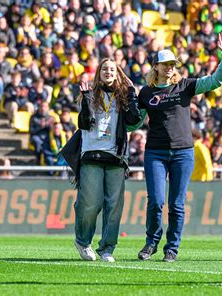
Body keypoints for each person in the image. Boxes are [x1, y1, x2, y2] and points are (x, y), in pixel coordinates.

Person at [136, 33, 222, 262]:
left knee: (177, 204)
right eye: (165, 64)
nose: (170, 68)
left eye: (172, 64)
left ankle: (172, 248)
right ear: (156, 66)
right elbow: (136, 122)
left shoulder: (185, 85)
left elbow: (214, 81)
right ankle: (151, 243)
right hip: (155, 153)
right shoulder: (146, 93)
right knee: (156, 201)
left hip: (183, 152)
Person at [74, 58, 142, 262]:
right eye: (105, 69)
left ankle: (107, 249)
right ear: (99, 73)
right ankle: (83, 242)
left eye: (112, 69)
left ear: (118, 73)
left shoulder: (123, 96)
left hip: (116, 156)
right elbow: (84, 123)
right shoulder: (89, 94)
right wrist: (85, 99)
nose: (108, 72)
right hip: (92, 153)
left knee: (114, 205)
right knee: (90, 203)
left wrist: (131, 94)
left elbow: (134, 120)